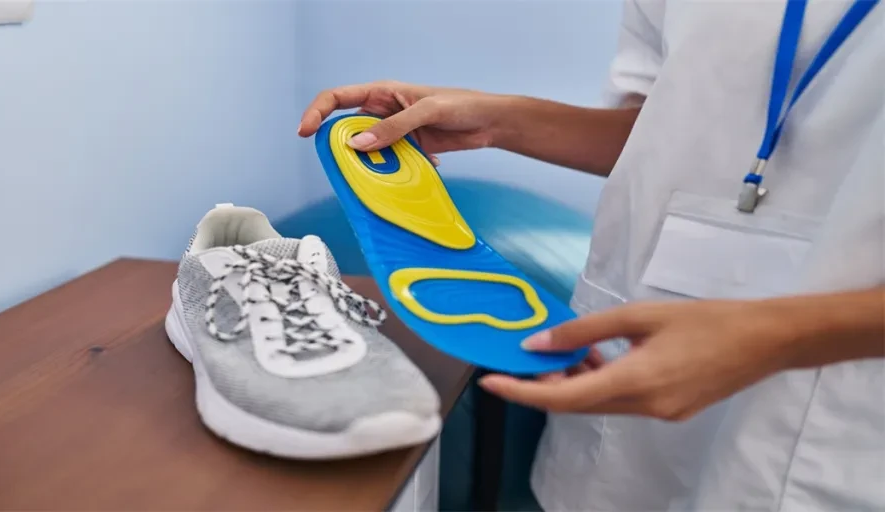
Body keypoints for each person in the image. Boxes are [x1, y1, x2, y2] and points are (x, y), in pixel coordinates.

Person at [297, 0, 884, 510]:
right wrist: (498, 120)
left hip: (838, 392)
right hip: (640, 319)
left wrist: (775, 336)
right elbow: (664, 130)